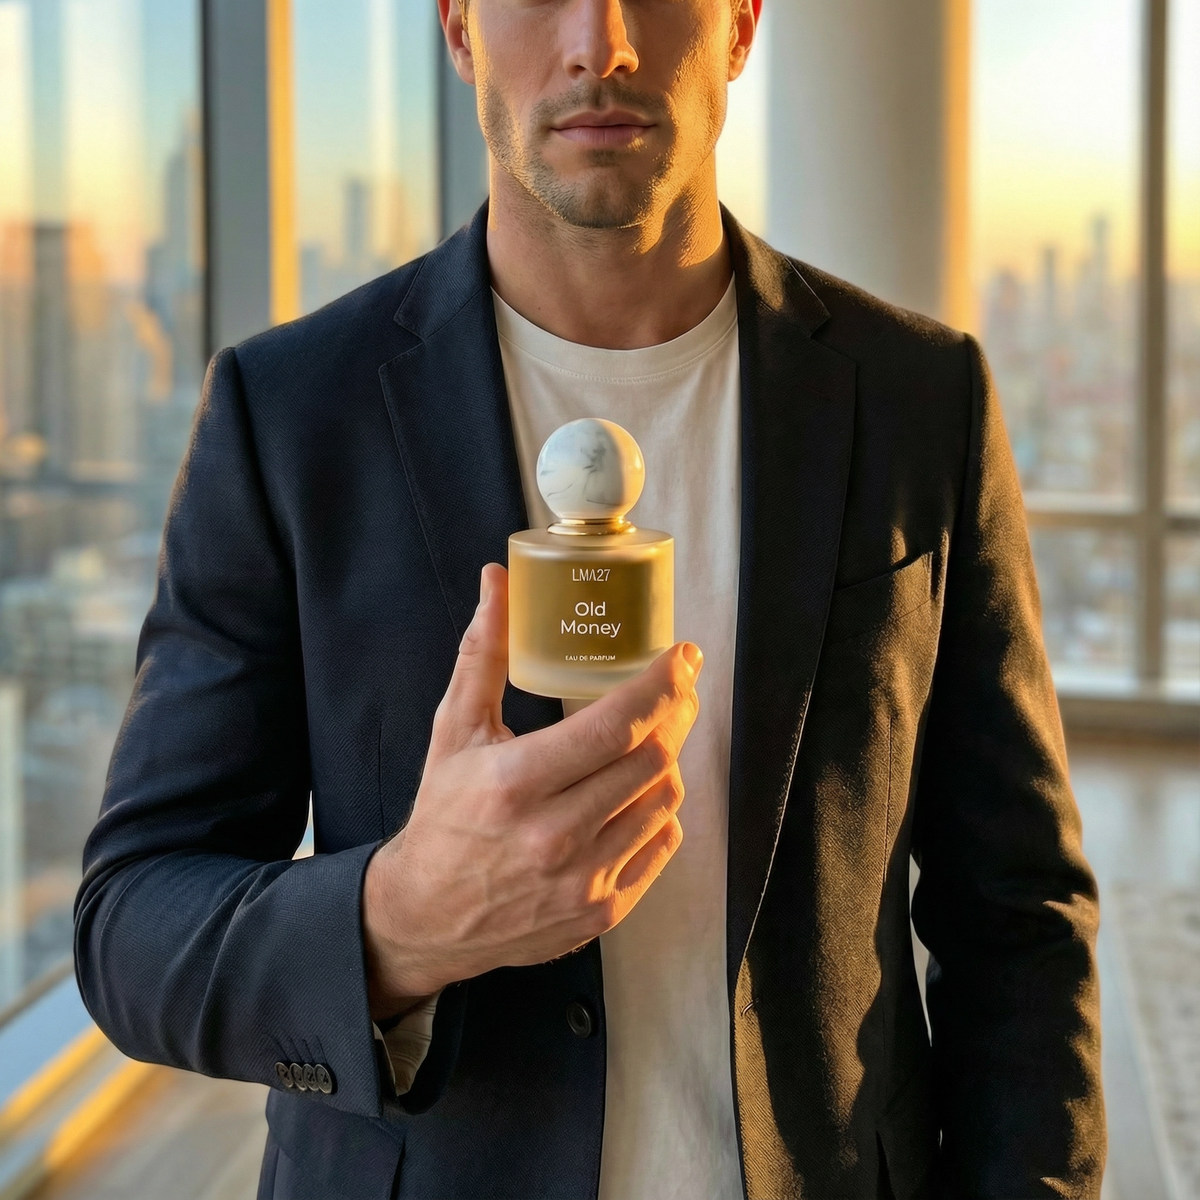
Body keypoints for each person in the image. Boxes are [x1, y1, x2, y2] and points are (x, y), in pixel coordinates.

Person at [74, 0, 1106, 1196]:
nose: (599, 43)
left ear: (740, 27)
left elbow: (1018, 918)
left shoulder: (923, 400)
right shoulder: (290, 414)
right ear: (458, 27)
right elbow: (132, 925)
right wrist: (398, 919)